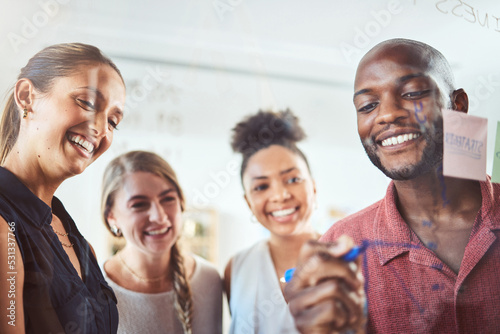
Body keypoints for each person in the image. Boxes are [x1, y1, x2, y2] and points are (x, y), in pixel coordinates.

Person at [284, 38, 500, 333]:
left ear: (457, 106)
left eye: (412, 93)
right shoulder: (341, 248)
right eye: (368, 105)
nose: (386, 114)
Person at [0, 43, 126, 333]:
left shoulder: (82, 246)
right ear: (27, 97)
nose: (102, 129)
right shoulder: (5, 230)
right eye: (87, 102)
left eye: (113, 121)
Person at [101, 150, 223, 334]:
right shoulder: (94, 287)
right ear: (111, 216)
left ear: (181, 202)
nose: (159, 216)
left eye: (168, 199)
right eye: (139, 204)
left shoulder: (209, 279)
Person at [224, 109, 321, 333]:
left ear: (313, 187)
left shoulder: (344, 259)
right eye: (261, 186)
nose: (280, 195)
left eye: (293, 179)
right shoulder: (236, 269)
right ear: (248, 202)